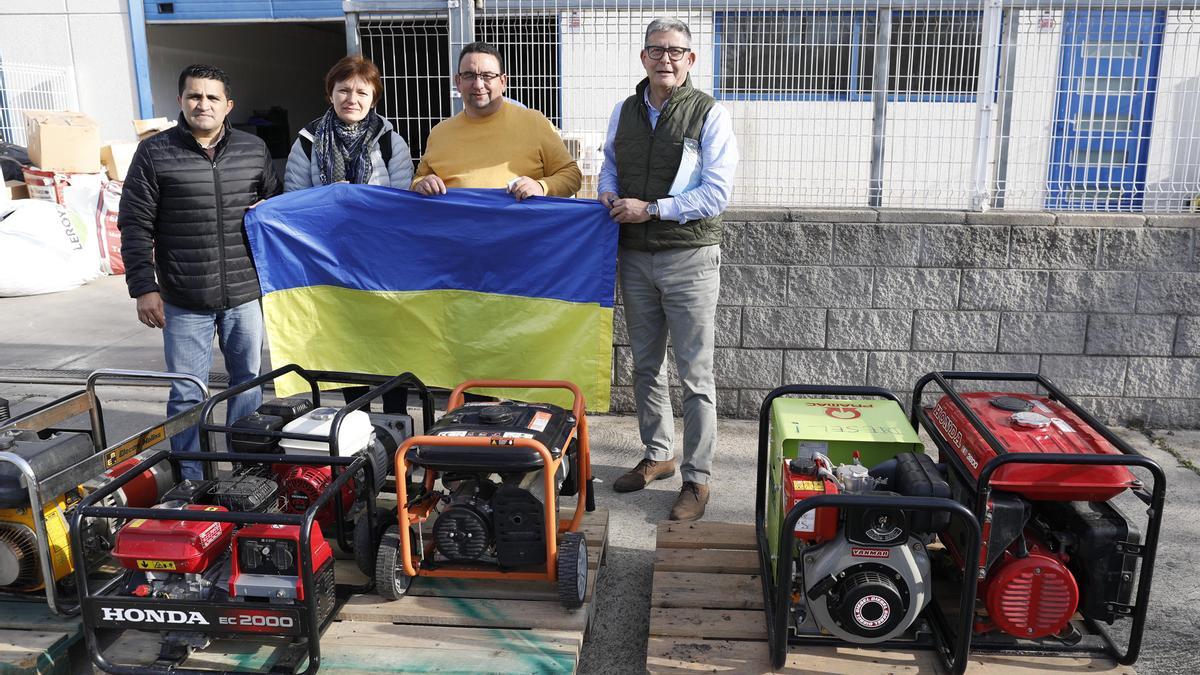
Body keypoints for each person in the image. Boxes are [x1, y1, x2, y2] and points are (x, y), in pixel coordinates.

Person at [599, 18, 739, 521]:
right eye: (657, 50)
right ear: (643, 58)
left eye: (676, 51)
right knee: (645, 367)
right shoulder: (624, 111)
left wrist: (652, 209)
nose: (666, 59)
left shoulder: (710, 114)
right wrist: (607, 193)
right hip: (634, 256)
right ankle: (658, 455)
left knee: (696, 375)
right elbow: (610, 166)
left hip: (690, 257)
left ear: (690, 60)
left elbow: (717, 193)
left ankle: (697, 480)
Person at [119, 64, 281, 479]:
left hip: (244, 294)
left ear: (228, 105)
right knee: (188, 392)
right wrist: (143, 287)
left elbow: (274, 206)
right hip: (184, 299)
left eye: (212, 98)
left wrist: (269, 214)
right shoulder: (154, 153)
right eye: (194, 96)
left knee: (247, 383)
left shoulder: (253, 149)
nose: (202, 104)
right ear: (180, 102)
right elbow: (135, 223)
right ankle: (191, 476)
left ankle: (247, 469)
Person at [412, 42, 581, 199]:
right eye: (469, 75)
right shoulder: (440, 133)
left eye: (487, 76)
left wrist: (541, 187)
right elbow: (418, 181)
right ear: (458, 81)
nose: (478, 85)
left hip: (522, 230)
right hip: (459, 231)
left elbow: (571, 175)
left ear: (502, 81)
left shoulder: (534, 123)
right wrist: (421, 184)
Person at [284, 55, 413, 192]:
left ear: (373, 101)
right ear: (331, 96)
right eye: (344, 91)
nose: (352, 100)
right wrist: (330, 195)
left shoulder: (392, 143)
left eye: (362, 93)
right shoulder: (307, 142)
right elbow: (294, 202)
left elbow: (401, 201)